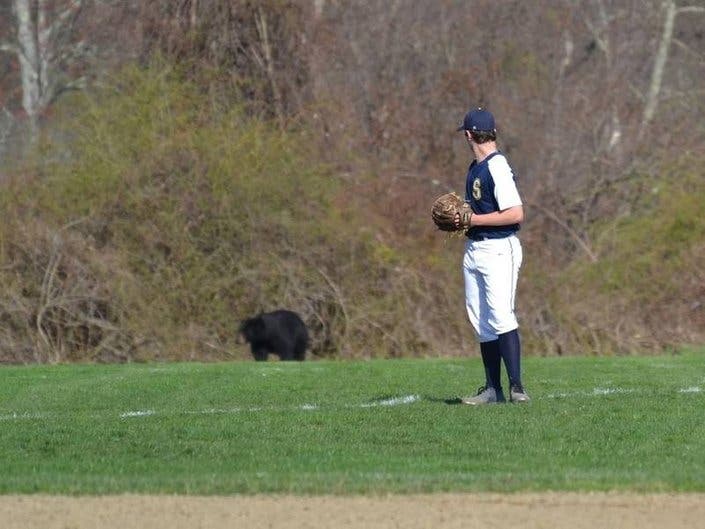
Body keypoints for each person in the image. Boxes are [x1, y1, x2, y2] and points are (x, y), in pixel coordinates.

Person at [454, 107, 530, 405]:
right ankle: (492, 389)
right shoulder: (476, 166)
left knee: (500, 315)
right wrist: (462, 216)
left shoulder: (497, 166)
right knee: (481, 320)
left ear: (469, 134)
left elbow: (515, 214)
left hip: (499, 249)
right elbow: (482, 208)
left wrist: (472, 220)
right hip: (475, 249)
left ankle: (517, 387)